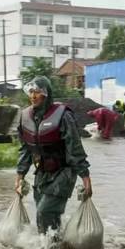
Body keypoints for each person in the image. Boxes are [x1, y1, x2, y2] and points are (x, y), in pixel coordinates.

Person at [15, 76, 93, 236]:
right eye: (30, 92)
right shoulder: (26, 117)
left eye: (37, 92)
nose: (33, 96)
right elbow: (25, 150)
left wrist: (85, 178)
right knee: (45, 218)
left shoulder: (63, 116)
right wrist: (20, 176)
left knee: (44, 212)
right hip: (42, 174)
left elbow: (75, 149)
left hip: (63, 173)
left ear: (46, 95)